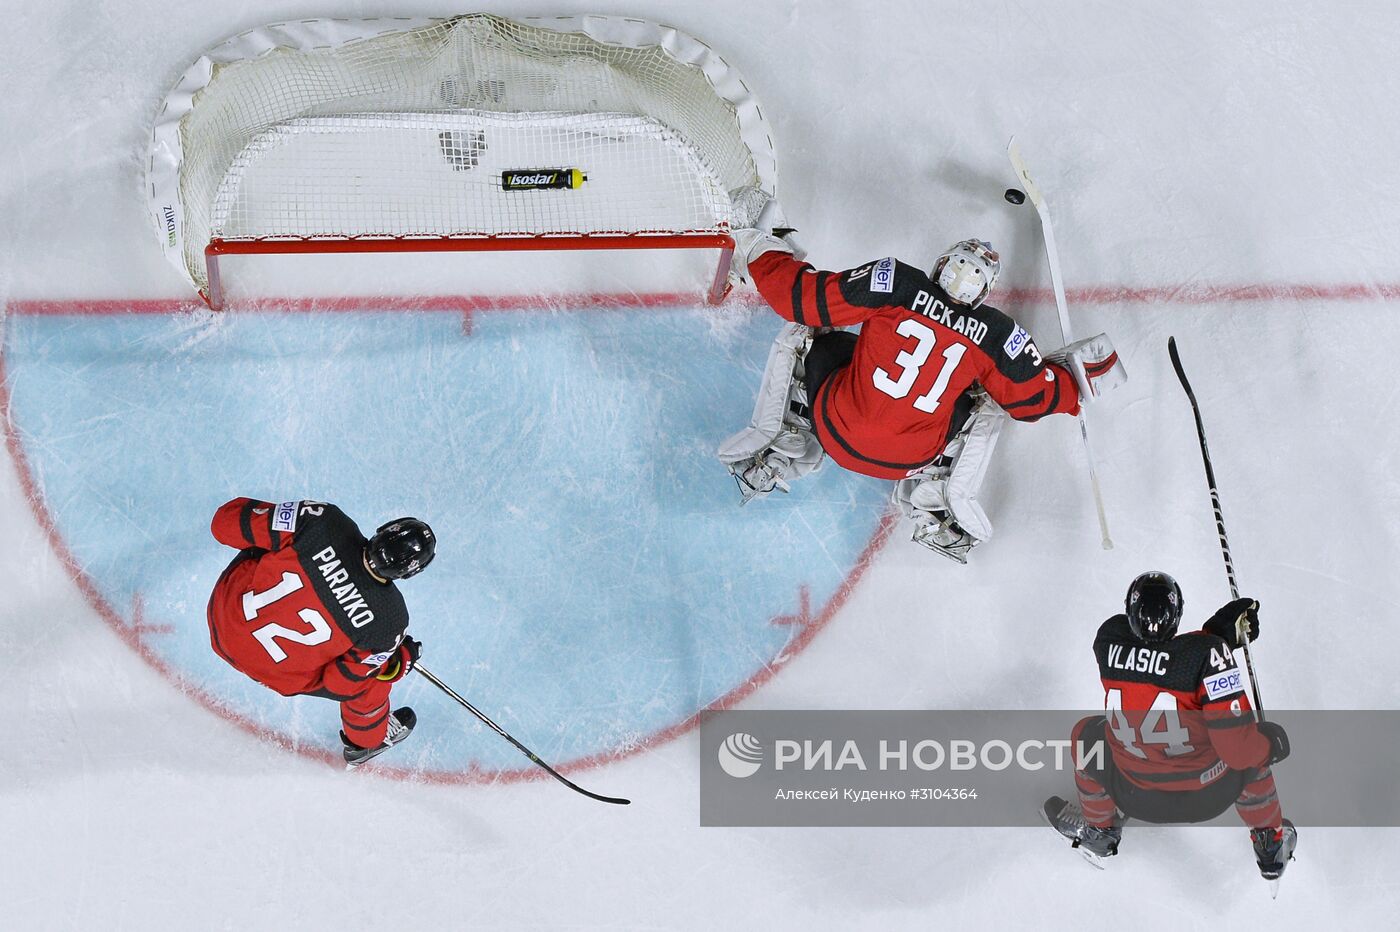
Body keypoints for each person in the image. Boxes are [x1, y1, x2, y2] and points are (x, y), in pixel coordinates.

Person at [718, 205, 1123, 561]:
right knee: (983, 398)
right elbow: (1032, 400)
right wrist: (1077, 385)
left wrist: (760, 251)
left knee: (816, 333)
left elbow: (803, 300)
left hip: (835, 430)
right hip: (910, 460)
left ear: (941, 266)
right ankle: (936, 506)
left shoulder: (897, 284)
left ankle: (778, 447)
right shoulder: (996, 333)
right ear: (983, 293)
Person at [1043, 572, 1297, 888]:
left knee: (1086, 736)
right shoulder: (1209, 655)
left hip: (1135, 793)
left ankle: (1099, 834)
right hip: (1210, 794)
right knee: (1250, 746)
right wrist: (1271, 745)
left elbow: (1162, 659)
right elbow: (1238, 747)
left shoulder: (1108, 640)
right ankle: (1271, 845)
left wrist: (1213, 636)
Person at [206, 498, 435, 768]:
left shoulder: (323, 521)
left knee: (273, 539)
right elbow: (342, 685)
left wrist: (285, 522)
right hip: (271, 672)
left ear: (385, 528)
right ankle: (366, 741)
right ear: (408, 574)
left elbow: (223, 525)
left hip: (223, 619)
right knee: (370, 679)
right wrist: (396, 661)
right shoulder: (389, 624)